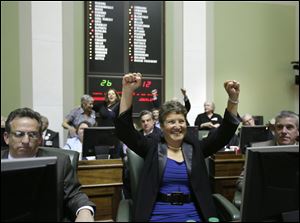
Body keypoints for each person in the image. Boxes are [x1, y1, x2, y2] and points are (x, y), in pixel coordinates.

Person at [115, 73, 240, 222]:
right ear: (161, 126)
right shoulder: (152, 147)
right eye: (171, 122)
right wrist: (128, 91)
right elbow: (125, 131)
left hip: (193, 216)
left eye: (181, 121)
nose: (177, 126)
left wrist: (233, 99)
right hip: (158, 215)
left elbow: (224, 134)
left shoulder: (195, 148)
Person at [2, 107, 96, 221]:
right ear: (6, 138)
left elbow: (74, 195)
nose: (26, 141)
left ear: (40, 139)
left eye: (32, 134)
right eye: (19, 134)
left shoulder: (60, 161)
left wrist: (84, 211)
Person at [235, 110, 299, 196]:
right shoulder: (257, 150)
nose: (284, 131)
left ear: (298, 131)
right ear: (274, 130)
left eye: (289, 127)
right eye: (279, 127)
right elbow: (241, 181)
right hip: (266, 199)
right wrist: (260, 191)